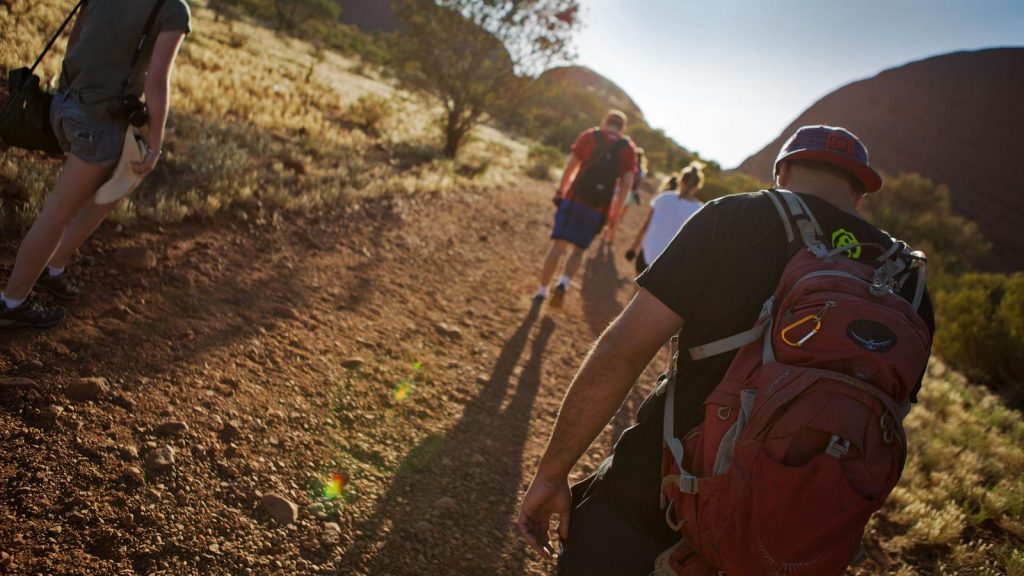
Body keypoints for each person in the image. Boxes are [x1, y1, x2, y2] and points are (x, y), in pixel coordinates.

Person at [518, 125, 936, 575]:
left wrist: (552, 472)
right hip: (779, 543)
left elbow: (624, 350)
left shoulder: (737, 218)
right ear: (859, 195)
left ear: (784, 171)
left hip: (651, 503)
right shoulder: (908, 284)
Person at [0, 0, 191, 328]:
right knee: (57, 215)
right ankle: (12, 304)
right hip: (96, 125)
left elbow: (75, 42)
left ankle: (54, 266)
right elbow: (157, 80)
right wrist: (156, 145)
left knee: (122, 178)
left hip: (63, 106)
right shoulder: (174, 8)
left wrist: (75, 93)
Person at [534, 110, 637, 307]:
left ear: (605, 121)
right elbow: (626, 184)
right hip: (599, 209)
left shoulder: (590, 136)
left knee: (558, 246)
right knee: (579, 250)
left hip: (574, 199)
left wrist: (561, 189)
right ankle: (563, 282)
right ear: (623, 128)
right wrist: (614, 213)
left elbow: (572, 164)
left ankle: (542, 291)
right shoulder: (628, 149)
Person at [625, 161, 704, 276]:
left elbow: (646, 225)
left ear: (680, 180)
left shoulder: (663, 198)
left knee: (636, 289)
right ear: (697, 187)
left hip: (647, 252)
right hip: (668, 262)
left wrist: (633, 247)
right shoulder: (699, 210)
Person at [603, 146, 647, 242]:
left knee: (613, 213)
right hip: (631, 196)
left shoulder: (630, 167)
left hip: (622, 192)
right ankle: (612, 236)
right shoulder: (642, 172)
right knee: (620, 216)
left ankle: (606, 233)